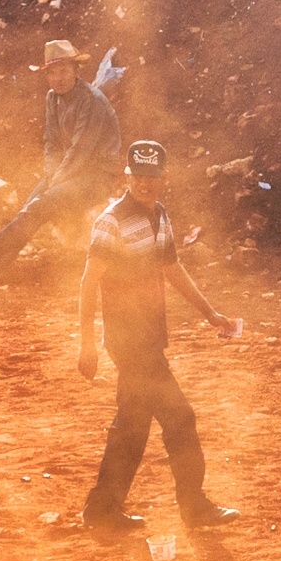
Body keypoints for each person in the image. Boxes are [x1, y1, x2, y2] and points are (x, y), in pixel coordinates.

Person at [78, 139, 240, 532]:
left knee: (132, 425)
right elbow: (88, 282)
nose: (144, 183)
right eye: (138, 176)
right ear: (127, 176)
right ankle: (193, 506)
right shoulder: (111, 221)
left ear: (164, 177)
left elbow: (172, 269)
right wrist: (87, 343)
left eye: (152, 176)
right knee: (180, 417)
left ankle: (102, 510)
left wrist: (210, 314)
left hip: (150, 335)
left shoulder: (160, 215)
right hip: (129, 340)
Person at [0, 40, 122, 283]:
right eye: (52, 72)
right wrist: (50, 174)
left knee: (41, 204)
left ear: (76, 71)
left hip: (97, 177)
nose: (59, 78)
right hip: (67, 174)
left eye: (64, 70)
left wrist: (55, 181)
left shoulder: (92, 100)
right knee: (29, 208)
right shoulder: (52, 98)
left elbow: (80, 150)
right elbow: (51, 143)